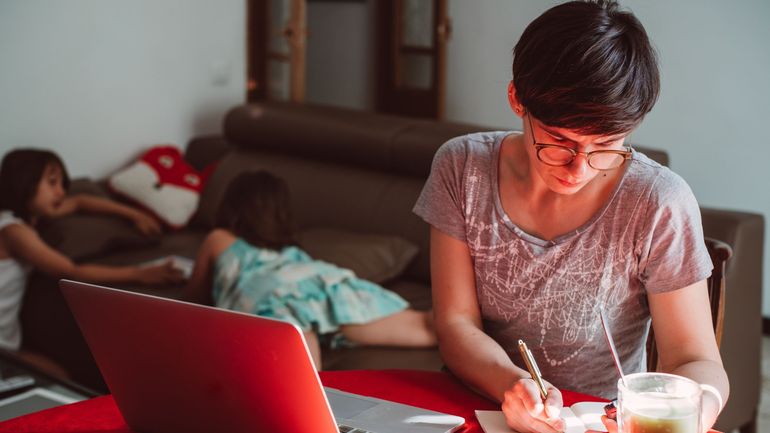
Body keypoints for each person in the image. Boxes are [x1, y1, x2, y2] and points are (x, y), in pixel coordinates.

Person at [412, 2, 728, 433]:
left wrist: (689, 412)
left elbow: (695, 360)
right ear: (516, 99)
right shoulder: (462, 168)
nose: (578, 169)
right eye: (559, 141)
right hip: (476, 405)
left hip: (601, 418)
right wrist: (515, 386)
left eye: (605, 145)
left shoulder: (657, 201)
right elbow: (455, 323)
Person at [183, 170, 436, 368]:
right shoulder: (289, 248)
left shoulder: (219, 237)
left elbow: (195, 299)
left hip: (268, 295)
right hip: (321, 281)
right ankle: (467, 317)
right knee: (427, 326)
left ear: (230, 206)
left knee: (300, 365)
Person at [0, 148, 184, 363]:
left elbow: (81, 201)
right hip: (3, 345)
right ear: (25, 183)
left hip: (8, 342)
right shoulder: (14, 232)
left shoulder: (25, 217)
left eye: (62, 184)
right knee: (59, 381)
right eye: (52, 183)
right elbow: (71, 270)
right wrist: (141, 274)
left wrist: (134, 214)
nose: (60, 192)